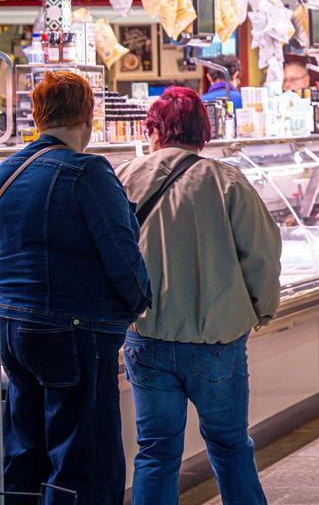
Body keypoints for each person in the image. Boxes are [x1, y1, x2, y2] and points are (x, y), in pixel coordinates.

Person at [116, 87, 281, 505]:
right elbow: (262, 252)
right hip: (216, 342)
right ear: (203, 134)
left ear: (153, 130)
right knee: (229, 447)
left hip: (147, 337)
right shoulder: (226, 181)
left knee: (155, 451)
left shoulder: (124, 177)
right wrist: (262, 309)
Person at [0, 71, 151, 505]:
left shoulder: (8, 169)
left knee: (25, 448)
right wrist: (139, 303)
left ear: (37, 113)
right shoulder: (87, 171)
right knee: (83, 455)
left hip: (12, 329)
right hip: (73, 328)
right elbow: (121, 254)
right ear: (89, 115)